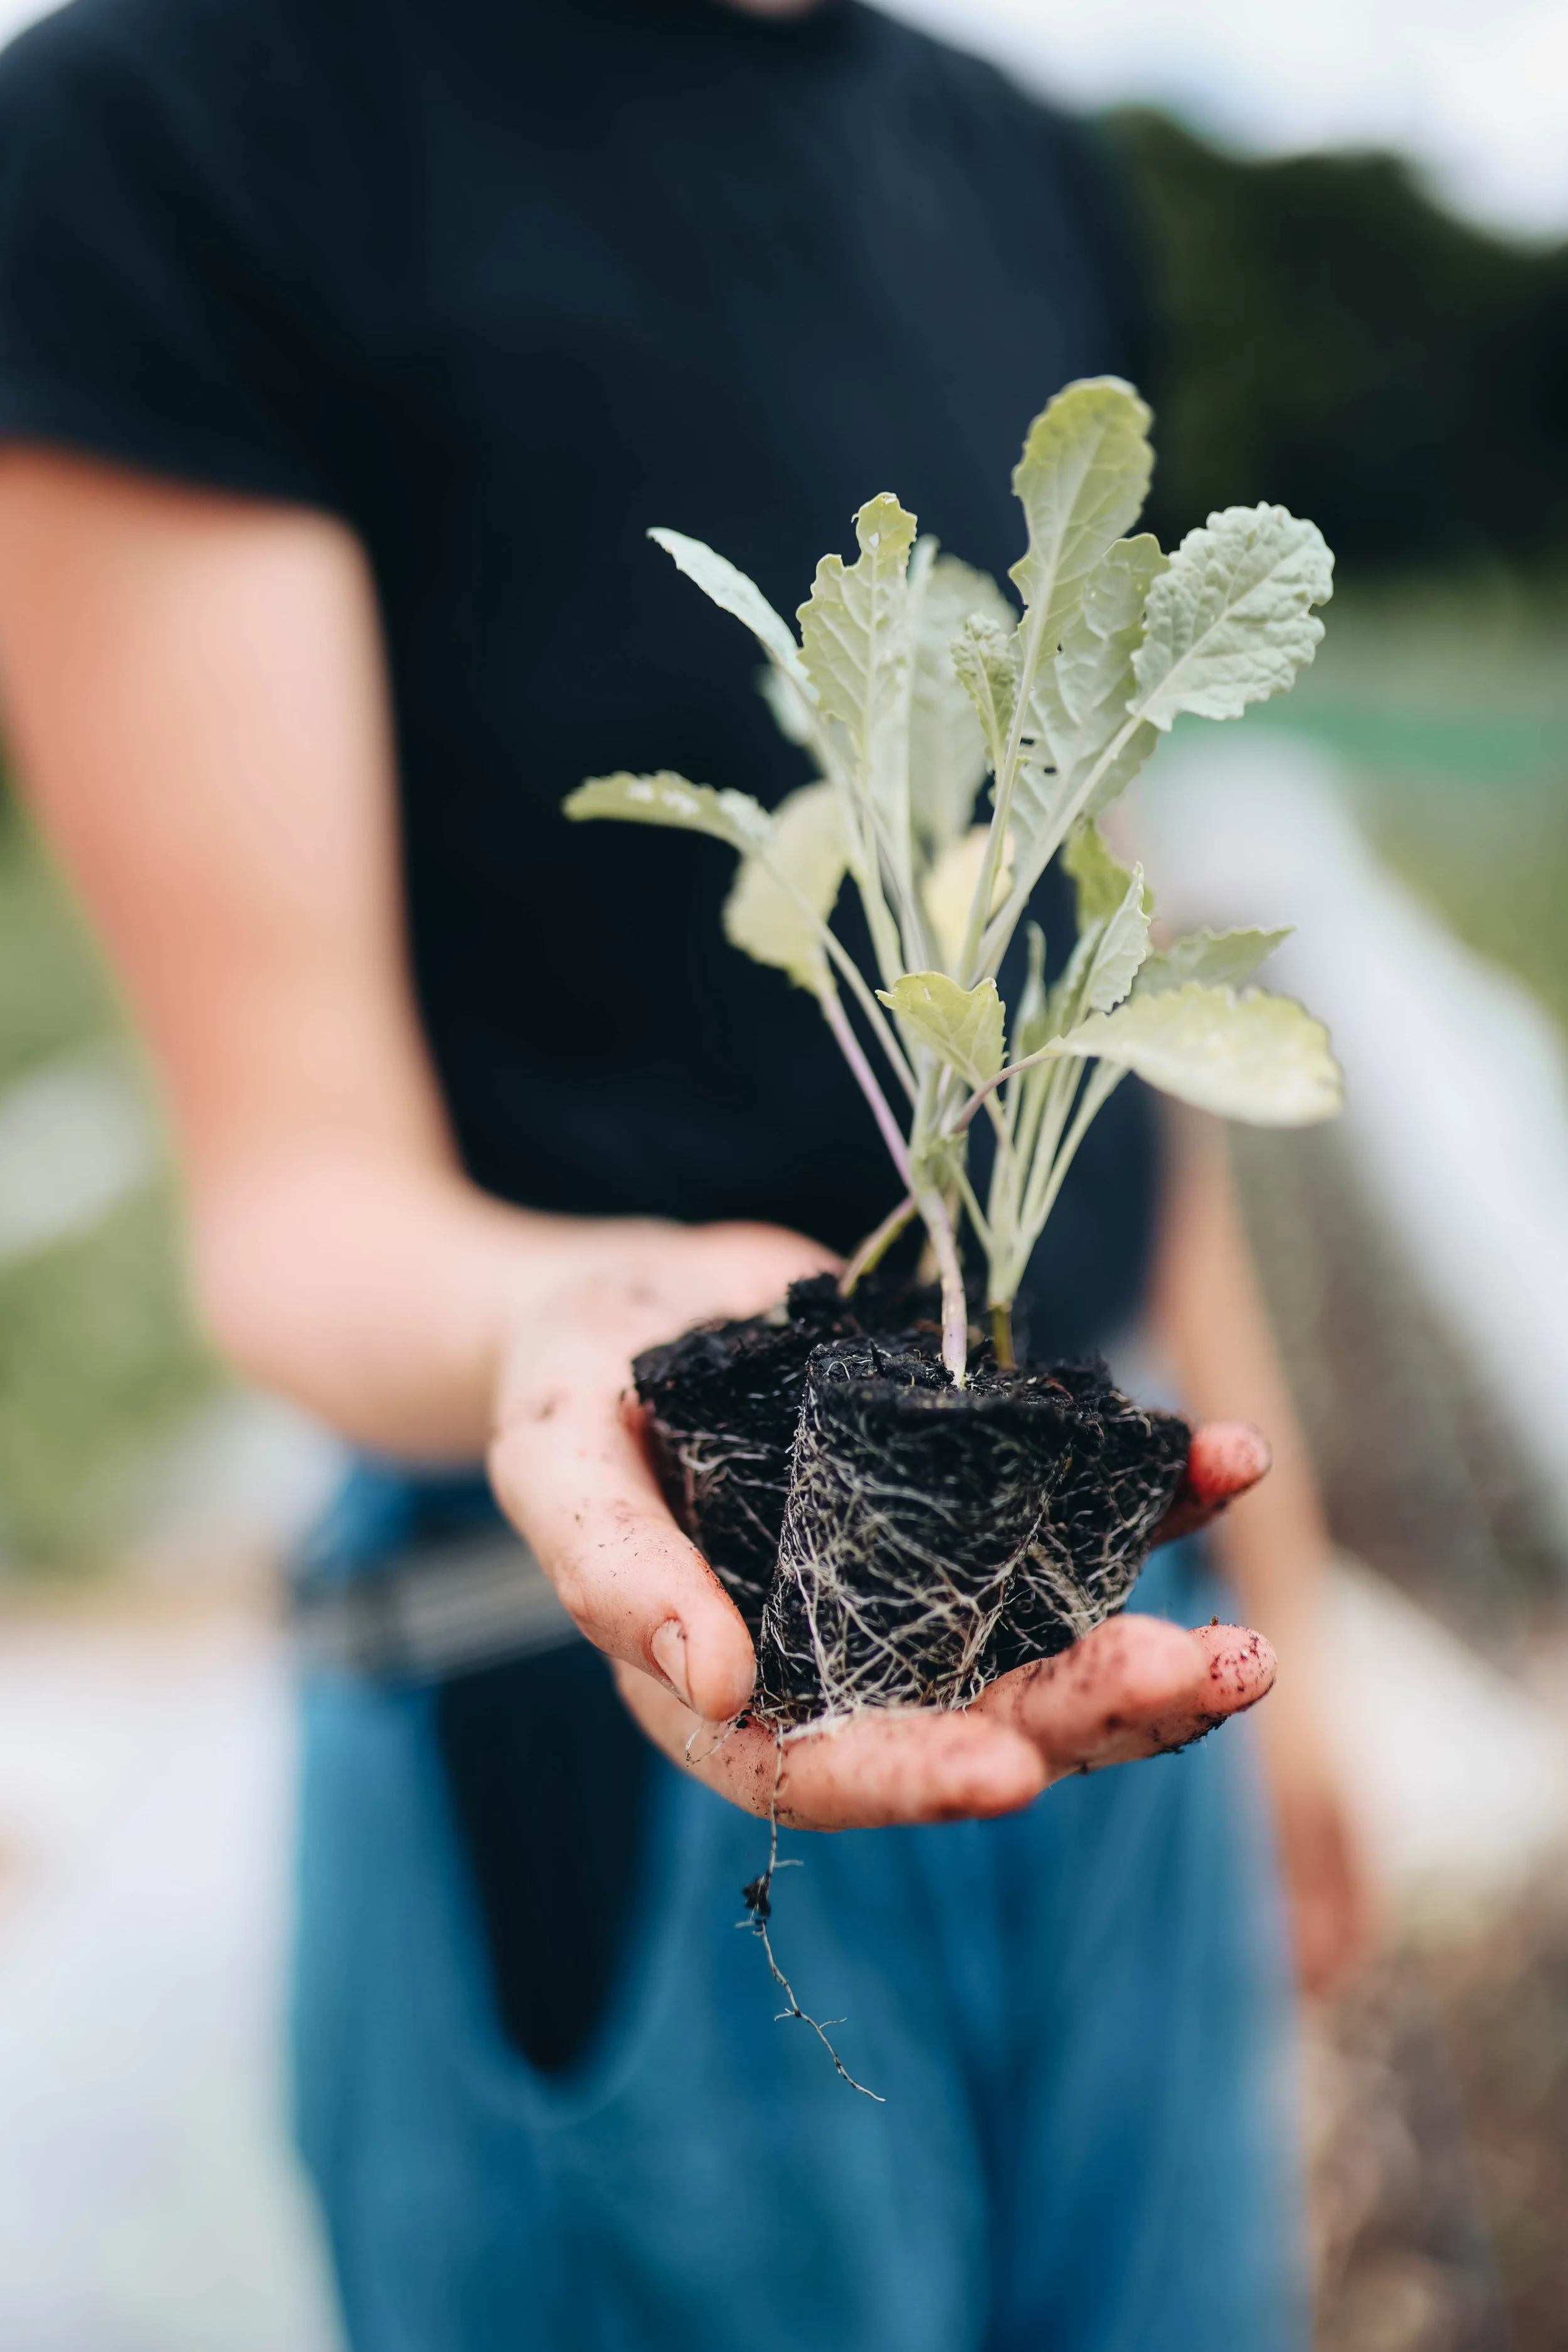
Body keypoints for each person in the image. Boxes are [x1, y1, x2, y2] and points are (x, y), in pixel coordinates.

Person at [0, 0, 1370, 2343]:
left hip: (1119, 1645)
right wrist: (568, 1328)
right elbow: (291, 1189)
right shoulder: (166, 126)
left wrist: (1299, 1632)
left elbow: (1087, 973)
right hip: (607, 1658)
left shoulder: (1014, 159)